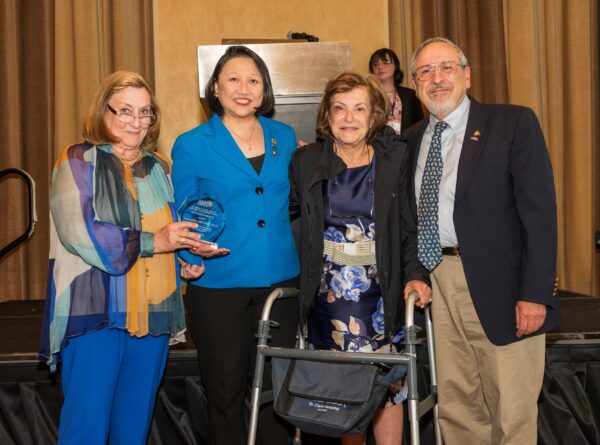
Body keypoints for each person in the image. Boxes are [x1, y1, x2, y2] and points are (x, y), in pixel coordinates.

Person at [404, 37, 560, 444]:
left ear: (467, 75)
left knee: (511, 413)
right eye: (425, 72)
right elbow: (409, 219)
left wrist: (535, 292)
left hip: (504, 290)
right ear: (415, 83)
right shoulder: (410, 140)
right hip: (438, 285)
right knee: (457, 409)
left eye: (446, 68)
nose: (436, 79)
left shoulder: (512, 123)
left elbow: (540, 215)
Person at [39, 71, 205, 444]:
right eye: (125, 110)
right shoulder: (77, 161)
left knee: (134, 428)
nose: (137, 121)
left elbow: (167, 229)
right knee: (86, 429)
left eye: (145, 112)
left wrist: (184, 261)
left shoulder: (160, 167)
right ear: (104, 112)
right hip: (95, 314)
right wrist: (156, 242)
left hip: (155, 316)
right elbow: (80, 233)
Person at [289, 71, 431, 445]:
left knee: (387, 388)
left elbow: (407, 226)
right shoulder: (304, 161)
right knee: (344, 394)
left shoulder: (394, 158)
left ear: (373, 116)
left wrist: (416, 274)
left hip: (382, 295)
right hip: (329, 299)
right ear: (327, 115)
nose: (348, 118)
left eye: (359, 109)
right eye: (340, 108)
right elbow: (289, 216)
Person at [171, 45, 300, 445]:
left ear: (264, 89)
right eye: (233, 79)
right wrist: (189, 257)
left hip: (281, 283)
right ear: (215, 86)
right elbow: (183, 212)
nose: (243, 89)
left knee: (279, 392)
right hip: (219, 283)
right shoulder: (192, 143)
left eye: (253, 80)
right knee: (224, 393)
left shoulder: (285, 135)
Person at [369, 48, 424, 134]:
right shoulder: (367, 96)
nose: (380, 67)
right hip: (375, 145)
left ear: (395, 66)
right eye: (375, 64)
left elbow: (420, 126)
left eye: (385, 62)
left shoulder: (411, 95)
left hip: (406, 145)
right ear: (372, 70)